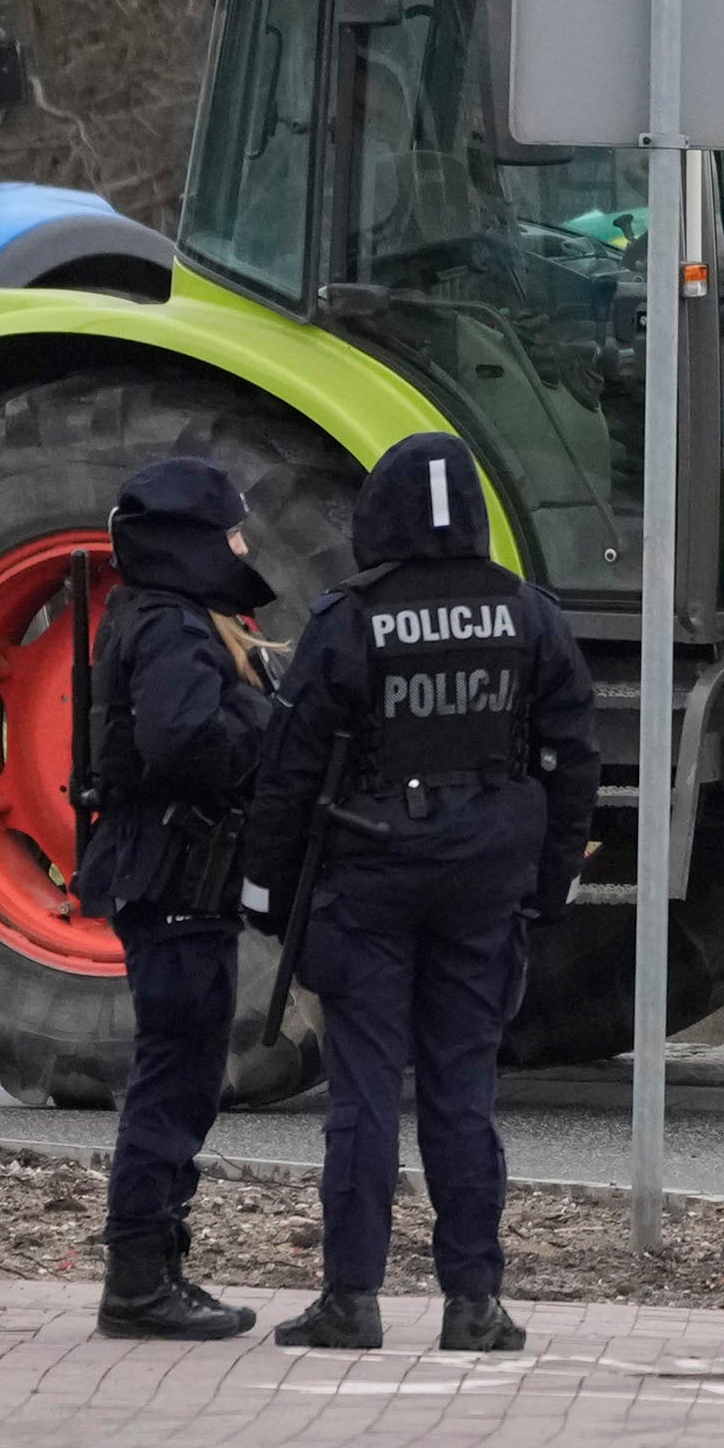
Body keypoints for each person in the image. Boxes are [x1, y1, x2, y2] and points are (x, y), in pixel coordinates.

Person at [241, 433, 598, 1353]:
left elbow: (286, 772)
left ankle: (351, 1299)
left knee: (363, 1091)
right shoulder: (530, 615)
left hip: (368, 879)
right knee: (462, 1091)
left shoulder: (348, 619)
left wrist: (267, 895)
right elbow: (572, 762)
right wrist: (548, 882)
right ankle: (474, 1302)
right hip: (487, 883)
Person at [81, 459, 283, 1340]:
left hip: (178, 879)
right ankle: (138, 1278)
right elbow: (186, 739)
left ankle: (154, 1267)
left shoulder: (169, 616)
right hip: (172, 877)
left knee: (185, 1077)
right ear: (189, 542)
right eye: (229, 532)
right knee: (173, 1080)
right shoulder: (169, 625)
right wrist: (274, 724)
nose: (241, 548)